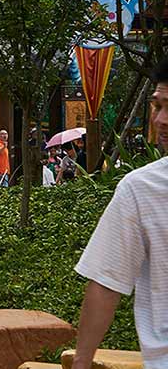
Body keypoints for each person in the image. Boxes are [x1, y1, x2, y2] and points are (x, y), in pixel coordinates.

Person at [71, 57, 168, 369]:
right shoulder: (141, 189)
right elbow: (106, 281)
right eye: (157, 106)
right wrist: (82, 363)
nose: (160, 119)